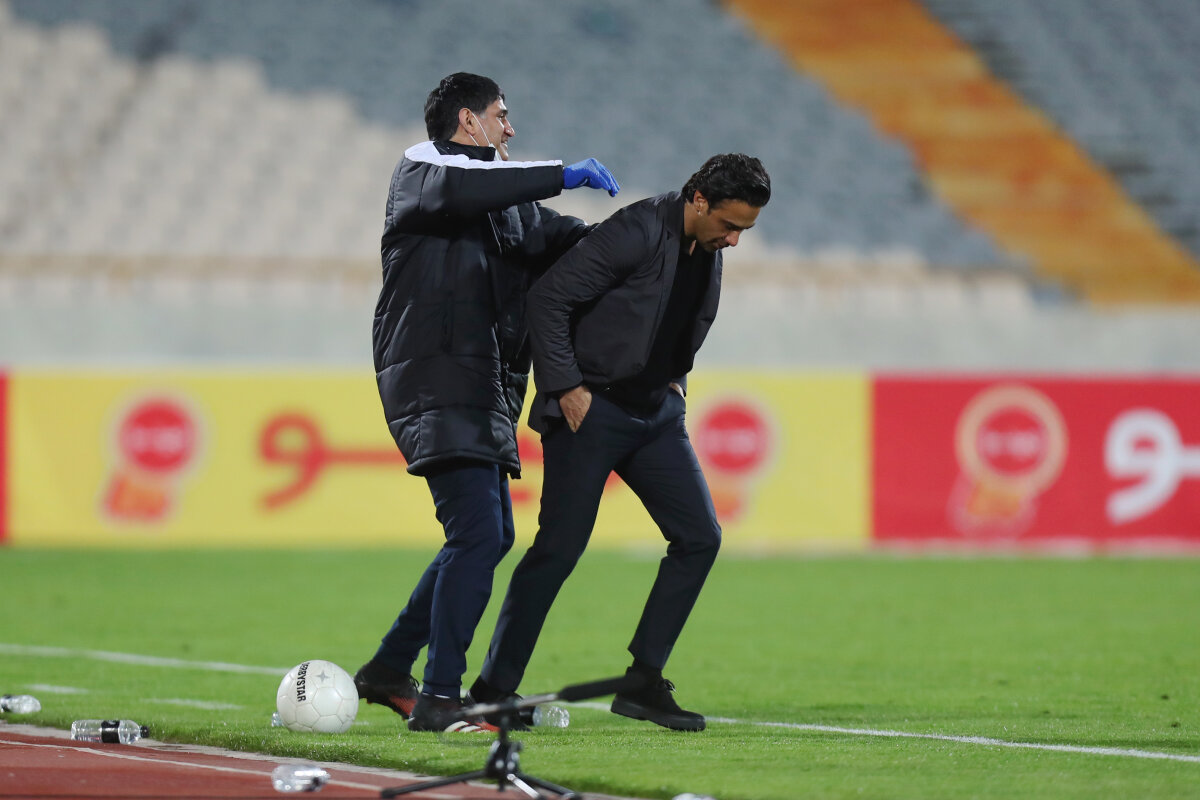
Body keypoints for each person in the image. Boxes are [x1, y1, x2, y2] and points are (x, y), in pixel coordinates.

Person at [355, 72, 620, 734]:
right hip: (437, 377)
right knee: (478, 534)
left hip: (482, 385)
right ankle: (441, 698)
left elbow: (567, 241)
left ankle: (389, 669)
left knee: (490, 534)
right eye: (501, 115)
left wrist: (655, 231)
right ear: (467, 121)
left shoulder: (507, 204)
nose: (510, 128)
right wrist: (563, 173)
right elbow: (467, 186)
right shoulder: (422, 169)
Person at [469, 153, 771, 732]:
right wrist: (567, 387)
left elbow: (678, 321)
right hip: (592, 411)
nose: (734, 240)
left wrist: (676, 382)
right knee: (558, 551)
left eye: (744, 230)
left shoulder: (706, 246)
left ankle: (642, 684)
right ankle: (493, 690)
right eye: (730, 225)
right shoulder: (636, 229)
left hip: (656, 415)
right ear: (699, 200)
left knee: (699, 537)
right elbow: (548, 300)